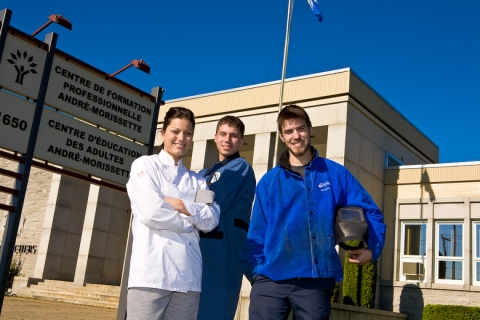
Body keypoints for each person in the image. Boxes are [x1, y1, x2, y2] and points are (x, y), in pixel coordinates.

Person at [247, 105, 386, 320]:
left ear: (310, 129)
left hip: (315, 281)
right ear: (282, 137)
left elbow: (371, 212)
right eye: (289, 131)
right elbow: (256, 233)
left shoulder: (335, 174)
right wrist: (256, 273)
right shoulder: (269, 182)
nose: (296, 136)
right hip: (270, 281)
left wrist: (373, 249)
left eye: (301, 129)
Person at [126, 106, 220, 320]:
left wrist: (179, 204)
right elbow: (151, 212)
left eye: (188, 133)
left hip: (188, 278)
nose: (181, 138)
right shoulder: (145, 166)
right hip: (150, 275)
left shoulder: (198, 180)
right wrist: (191, 222)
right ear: (163, 133)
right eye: (175, 131)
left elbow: (212, 218)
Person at [197, 115, 256, 320]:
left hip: (224, 254)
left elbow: (214, 198)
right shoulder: (205, 173)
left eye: (233, 136)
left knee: (214, 312)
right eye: (223, 134)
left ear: (241, 140)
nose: (227, 140)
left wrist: (191, 198)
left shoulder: (240, 168)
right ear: (215, 137)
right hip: (200, 254)